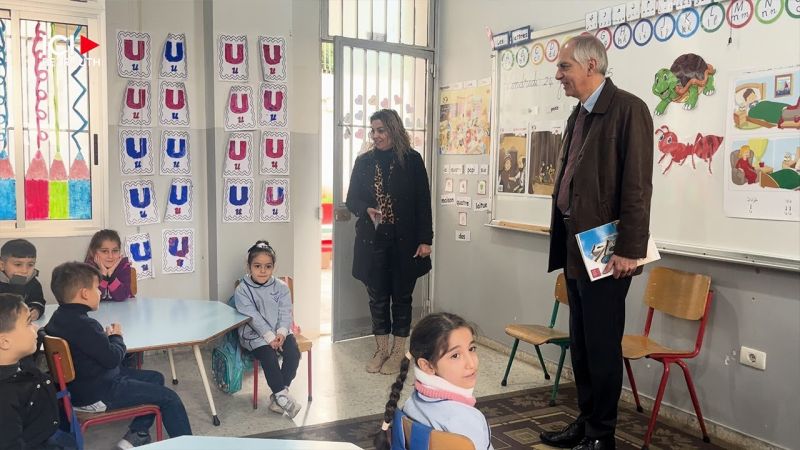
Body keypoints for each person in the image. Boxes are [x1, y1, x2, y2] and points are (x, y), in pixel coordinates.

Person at [544, 35, 653, 450]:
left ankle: (602, 435)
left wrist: (630, 248)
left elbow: (637, 187)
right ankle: (586, 421)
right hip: (576, 247)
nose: (559, 75)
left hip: (610, 252)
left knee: (603, 346)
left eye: (564, 67)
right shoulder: (578, 115)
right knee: (582, 344)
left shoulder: (629, 110)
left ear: (591, 66)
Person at [44, 262, 191, 449]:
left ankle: (136, 435)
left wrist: (103, 341)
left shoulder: (57, 319)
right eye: (96, 288)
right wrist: (116, 337)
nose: (99, 293)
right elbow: (114, 358)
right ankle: (189, 444)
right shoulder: (86, 326)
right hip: (99, 393)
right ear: (84, 293)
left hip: (78, 389)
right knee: (170, 398)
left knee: (156, 377)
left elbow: (86, 349)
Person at [345, 109, 433, 375]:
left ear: (394, 130)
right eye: (373, 130)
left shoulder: (412, 160)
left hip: (404, 241)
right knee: (378, 297)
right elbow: (352, 199)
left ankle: (397, 353)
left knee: (402, 297)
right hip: (374, 240)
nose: (376, 135)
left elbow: (423, 203)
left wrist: (425, 240)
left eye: (381, 130)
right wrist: (366, 209)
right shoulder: (364, 162)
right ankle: (381, 350)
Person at [373, 312, 492, 450]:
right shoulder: (470, 420)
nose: (471, 363)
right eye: (455, 355)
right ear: (427, 365)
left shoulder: (411, 404)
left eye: (471, 349)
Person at [233, 240, 302, 418]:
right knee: (269, 356)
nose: (262, 271)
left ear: (273, 267)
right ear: (249, 267)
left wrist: (281, 334)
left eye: (267, 266)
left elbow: (285, 313)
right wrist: (270, 337)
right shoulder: (242, 290)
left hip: (279, 333)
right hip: (254, 336)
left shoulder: (281, 287)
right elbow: (252, 317)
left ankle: (279, 395)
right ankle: (282, 397)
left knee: (293, 352)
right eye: (257, 266)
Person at [0, 293, 77, 450]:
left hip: (46, 434)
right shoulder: (4, 398)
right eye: (28, 323)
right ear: (4, 342)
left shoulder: (19, 361)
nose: (35, 327)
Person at [0, 239, 45, 321]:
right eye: (18, 264)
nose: (25, 270)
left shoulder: (33, 283)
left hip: (23, 325)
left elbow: (38, 301)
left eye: (30, 264)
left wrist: (36, 310)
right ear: (2, 265)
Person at [84, 230, 134, 302]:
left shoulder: (124, 266)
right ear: (94, 252)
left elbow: (121, 296)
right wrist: (103, 275)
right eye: (104, 251)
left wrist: (111, 276)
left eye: (115, 251)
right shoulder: (89, 269)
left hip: (122, 310)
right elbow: (92, 298)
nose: (110, 256)